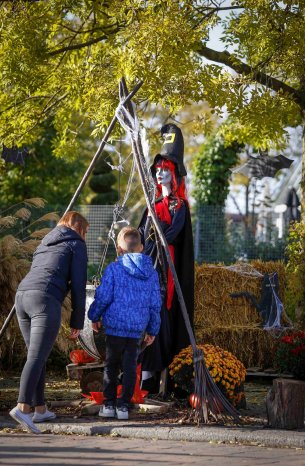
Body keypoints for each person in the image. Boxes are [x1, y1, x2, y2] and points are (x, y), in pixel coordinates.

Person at [9, 211, 89, 434]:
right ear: (79, 228)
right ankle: (22, 407)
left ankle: (40, 408)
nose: (85, 235)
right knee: (36, 356)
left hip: (22, 297)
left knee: (37, 355)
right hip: (44, 299)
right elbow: (79, 285)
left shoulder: (46, 241)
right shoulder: (76, 244)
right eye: (85, 231)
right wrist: (77, 321)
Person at [138, 123, 195, 391]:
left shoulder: (178, 205)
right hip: (148, 265)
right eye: (158, 170)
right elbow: (141, 234)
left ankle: (160, 375)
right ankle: (143, 375)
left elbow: (170, 235)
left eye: (165, 170)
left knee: (161, 313)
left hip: (168, 269)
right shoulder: (152, 204)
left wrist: (154, 230)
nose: (160, 174)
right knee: (145, 313)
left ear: (174, 175)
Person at [88, 226, 161, 420]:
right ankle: (124, 407)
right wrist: (152, 329)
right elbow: (155, 304)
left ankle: (109, 404)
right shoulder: (151, 273)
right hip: (137, 329)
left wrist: (94, 316)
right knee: (130, 367)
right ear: (142, 248)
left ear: (119, 249)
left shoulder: (114, 268)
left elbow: (103, 296)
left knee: (111, 365)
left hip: (115, 327)